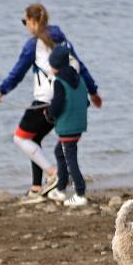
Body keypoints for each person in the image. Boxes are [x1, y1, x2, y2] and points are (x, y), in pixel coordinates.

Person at [0, 4, 102, 204]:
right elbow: (80, 67)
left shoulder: (33, 44)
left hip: (46, 101)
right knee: (35, 138)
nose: (25, 25)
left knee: (21, 138)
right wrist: (93, 92)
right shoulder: (63, 40)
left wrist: (0, 92)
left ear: (33, 22)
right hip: (67, 98)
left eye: (25, 21)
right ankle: (36, 186)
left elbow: (17, 73)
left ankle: (54, 174)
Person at [44, 45, 90, 207]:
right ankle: (61, 188)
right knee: (60, 152)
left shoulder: (58, 82)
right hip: (78, 125)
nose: (50, 68)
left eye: (52, 65)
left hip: (68, 127)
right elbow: (87, 102)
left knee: (70, 158)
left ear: (56, 66)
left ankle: (80, 193)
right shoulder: (80, 78)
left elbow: (56, 105)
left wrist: (48, 113)